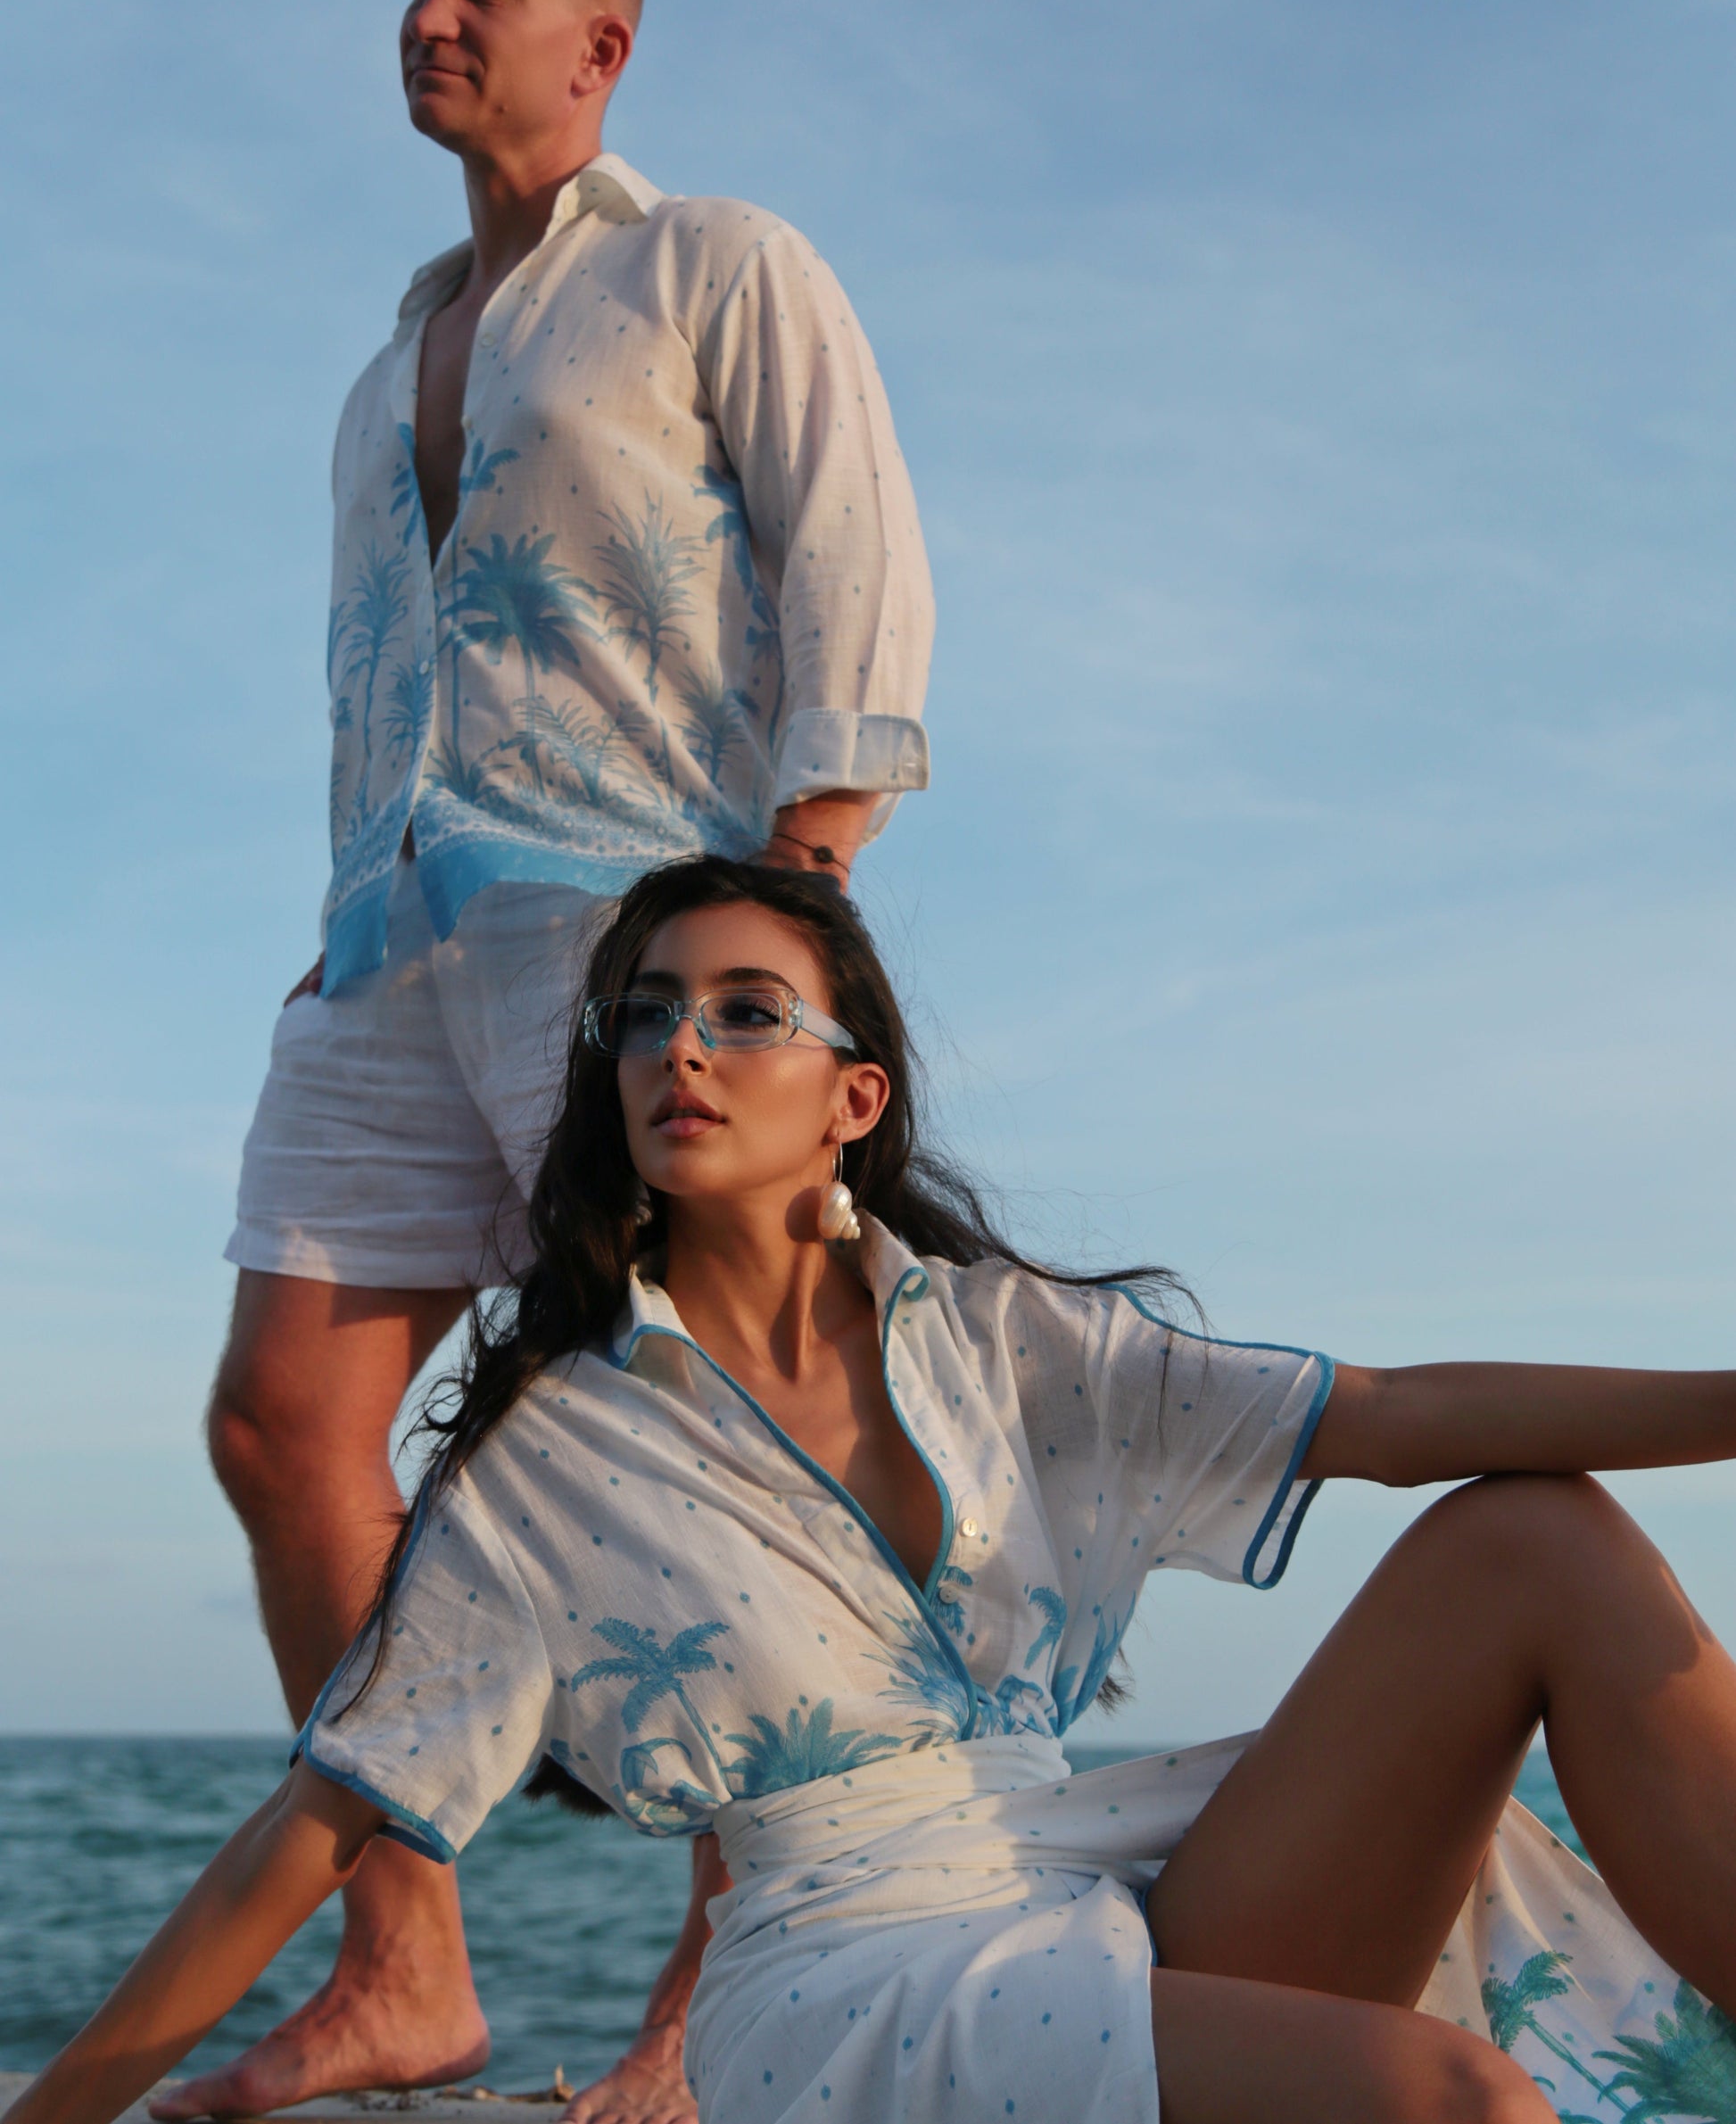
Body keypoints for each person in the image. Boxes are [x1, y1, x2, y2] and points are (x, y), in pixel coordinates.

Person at [21, 855, 1736, 2124]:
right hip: (848, 1977)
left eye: (741, 1011)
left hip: (1078, 1869)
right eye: (644, 1017)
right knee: (1453, 2102)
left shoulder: (1002, 1345)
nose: (677, 1046)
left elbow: (1394, 1412)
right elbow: (325, 1810)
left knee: (1532, 1535)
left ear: (853, 1097)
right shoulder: (556, 1449)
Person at [188, 0, 934, 2110]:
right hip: (385, 937)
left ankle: (714, 2023)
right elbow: (378, 673)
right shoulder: (383, 369)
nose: (428, 11)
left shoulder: (715, 266)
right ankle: (404, 1962)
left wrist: (796, 875)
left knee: (701, 1445)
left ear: (599, 43)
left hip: (633, 920)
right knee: (282, 1425)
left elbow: (852, 546)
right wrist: (345, 905)